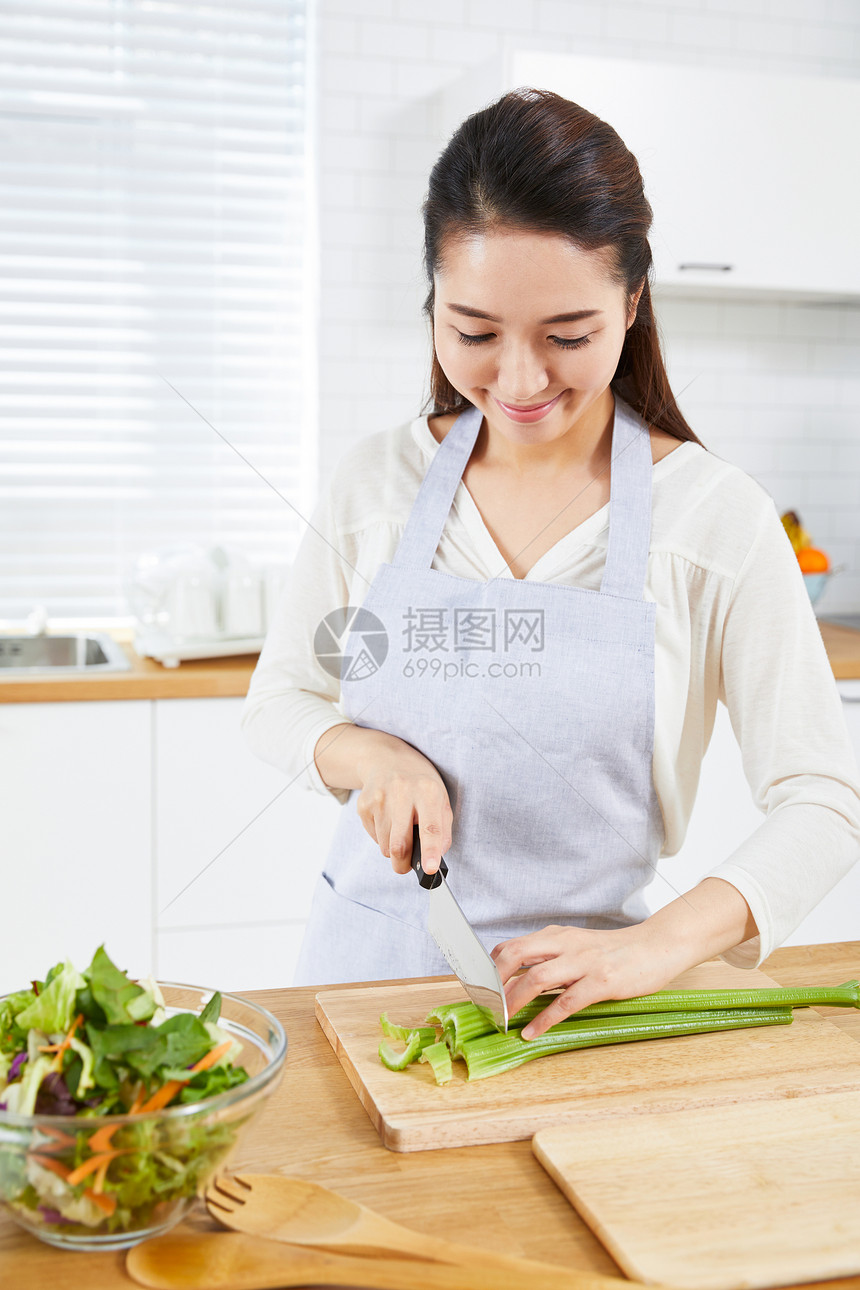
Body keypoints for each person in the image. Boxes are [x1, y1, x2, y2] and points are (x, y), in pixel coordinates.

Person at [243, 88, 860, 1038]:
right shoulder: (376, 484)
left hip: (578, 1020)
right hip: (361, 999)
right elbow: (281, 697)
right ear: (432, 306)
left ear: (634, 303)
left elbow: (824, 799)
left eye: (568, 336)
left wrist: (662, 942)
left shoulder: (713, 519)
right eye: (475, 333)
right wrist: (370, 755)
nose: (520, 382)